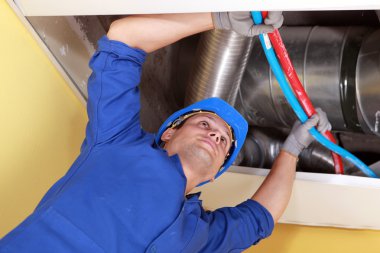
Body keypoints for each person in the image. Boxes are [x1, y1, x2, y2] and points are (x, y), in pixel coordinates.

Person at [0, 12, 331, 253]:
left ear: (216, 174)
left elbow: (260, 219)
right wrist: (220, 17)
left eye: (224, 142)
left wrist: (292, 150)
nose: (217, 136)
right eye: (205, 124)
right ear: (168, 133)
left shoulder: (201, 234)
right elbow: (123, 39)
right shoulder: (116, 142)